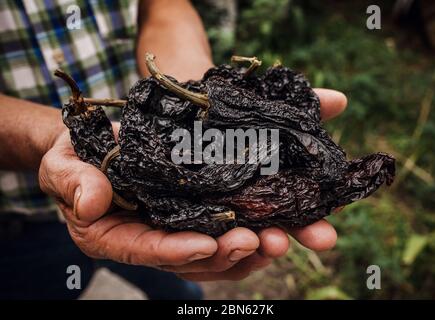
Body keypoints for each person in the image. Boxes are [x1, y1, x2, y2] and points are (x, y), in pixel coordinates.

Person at [0, 0, 346, 299]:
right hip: (19, 225)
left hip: (138, 200)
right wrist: (52, 138)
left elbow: (163, 7)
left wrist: (191, 98)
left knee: (179, 285)